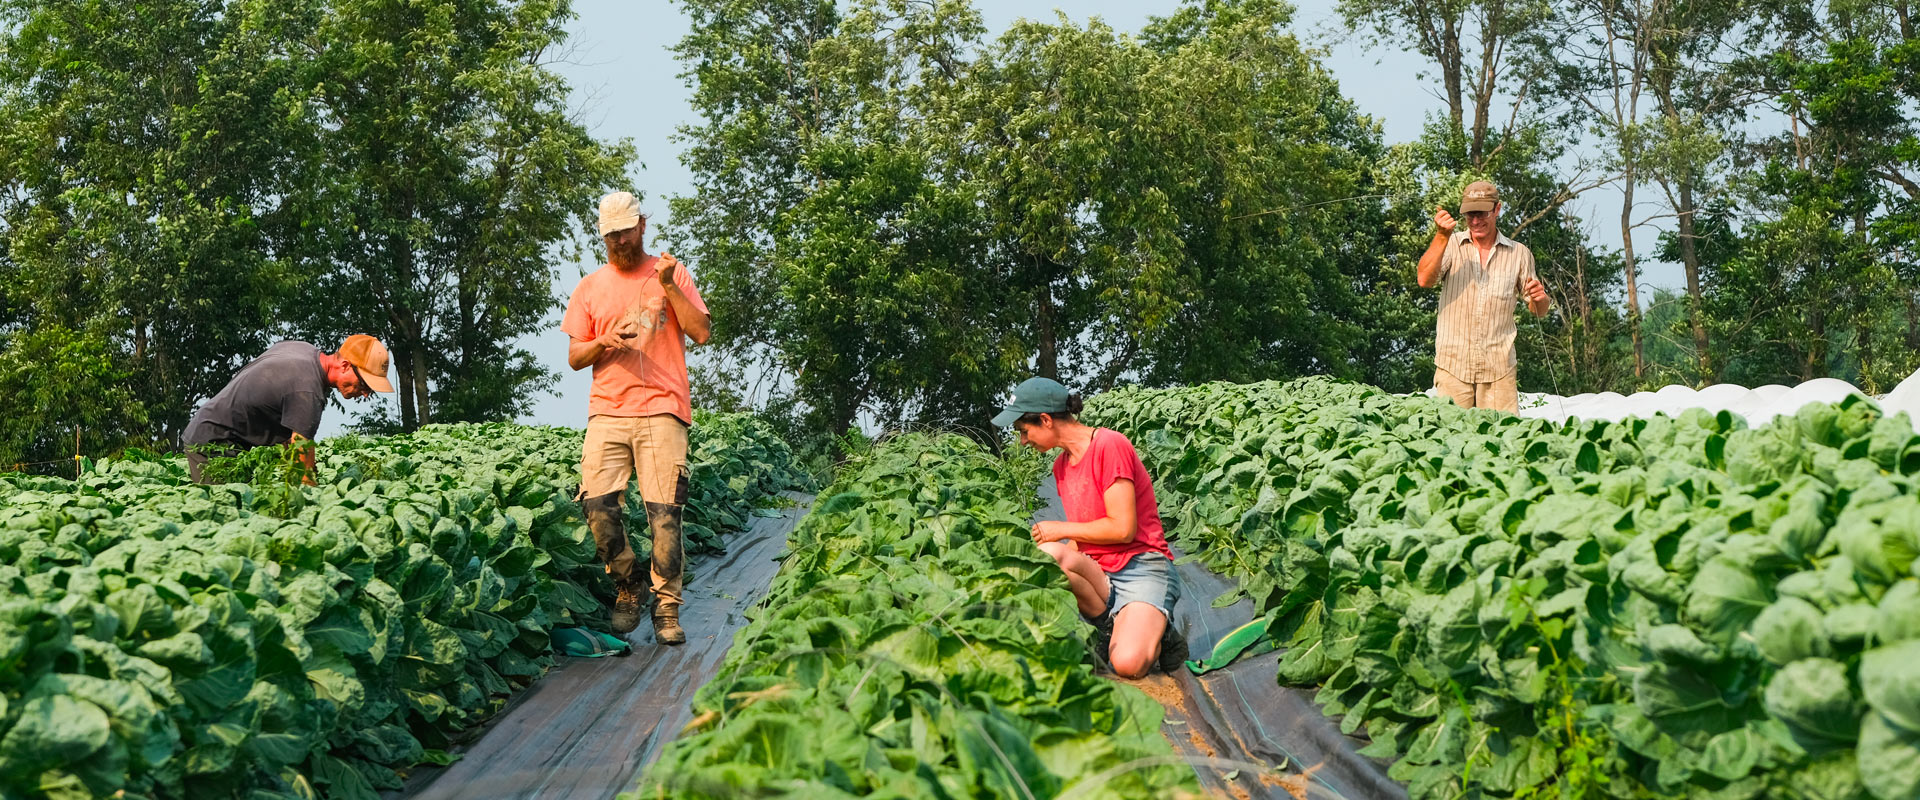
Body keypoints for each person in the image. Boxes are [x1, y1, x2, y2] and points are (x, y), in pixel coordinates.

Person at [562, 190, 711, 642]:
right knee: (597, 506)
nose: (618, 242)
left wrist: (668, 286)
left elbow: (702, 331)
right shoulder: (590, 287)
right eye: (610, 235)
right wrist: (603, 340)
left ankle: (667, 607)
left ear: (641, 226)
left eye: (625, 232)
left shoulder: (672, 272)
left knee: (664, 513)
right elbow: (574, 357)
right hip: (608, 411)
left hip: (663, 408)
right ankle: (629, 582)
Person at [995, 377, 1186, 678]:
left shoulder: (1109, 446)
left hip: (1142, 568)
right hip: (1102, 573)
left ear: (1045, 420)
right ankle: (1108, 629)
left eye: (1024, 430)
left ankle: (1161, 633)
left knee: (1128, 664)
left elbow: (1123, 529)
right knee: (1047, 554)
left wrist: (1061, 529)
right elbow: (1084, 540)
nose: (1023, 440)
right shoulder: (1061, 466)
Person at [1415, 180, 1551, 414]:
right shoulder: (1451, 244)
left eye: (1482, 214)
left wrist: (1540, 299)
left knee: (1502, 440)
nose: (1475, 221)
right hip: (1453, 367)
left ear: (1497, 209)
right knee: (1450, 440)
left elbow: (1538, 310)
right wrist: (1440, 236)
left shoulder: (1519, 254)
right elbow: (1424, 280)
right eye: (1470, 215)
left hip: (1499, 371)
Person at [182, 336, 393, 484]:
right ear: (346, 365)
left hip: (221, 435)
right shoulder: (308, 392)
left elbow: (287, 437)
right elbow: (303, 469)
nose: (365, 394)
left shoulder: (303, 350)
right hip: (213, 444)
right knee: (226, 518)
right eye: (364, 384)